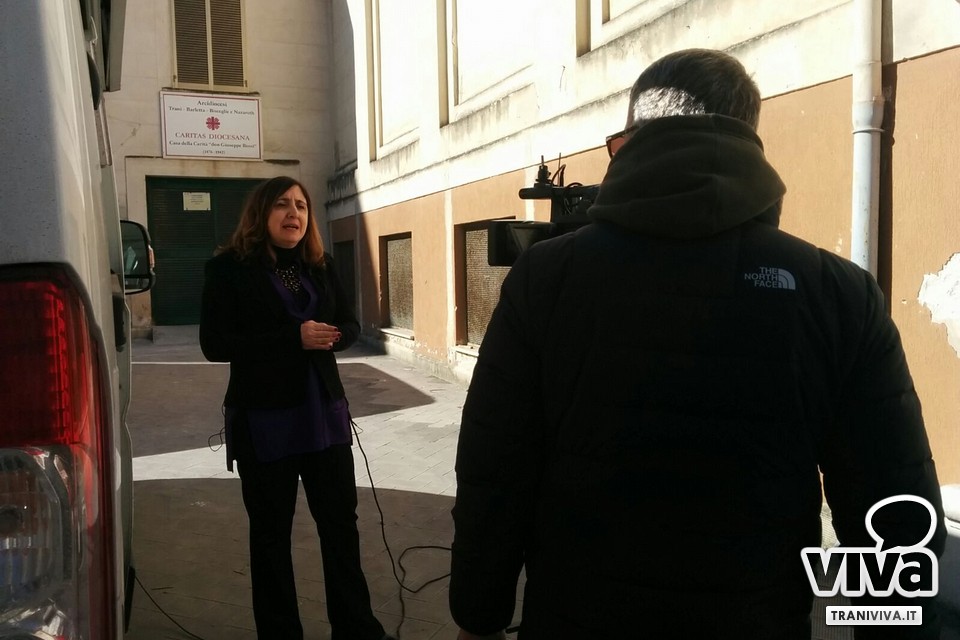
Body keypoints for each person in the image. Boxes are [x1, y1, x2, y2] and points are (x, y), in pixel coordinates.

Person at [449, 49, 946, 639]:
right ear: (749, 135)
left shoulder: (545, 278)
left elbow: (496, 469)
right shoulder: (838, 294)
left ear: (629, 141)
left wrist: (478, 614)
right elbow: (893, 508)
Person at [199, 176, 394, 640]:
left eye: (302, 206)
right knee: (271, 537)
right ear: (261, 213)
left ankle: (357, 631)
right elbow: (215, 343)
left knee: (341, 528)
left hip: (324, 415)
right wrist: (293, 338)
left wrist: (334, 337)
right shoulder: (228, 269)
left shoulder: (320, 265)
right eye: (283, 205)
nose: (294, 214)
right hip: (265, 420)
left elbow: (349, 323)